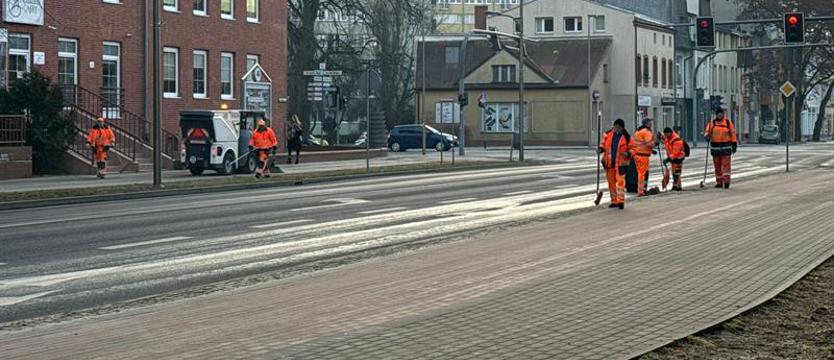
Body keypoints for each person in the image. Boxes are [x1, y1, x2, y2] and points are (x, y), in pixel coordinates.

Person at [598, 118, 631, 209]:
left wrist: (628, 153)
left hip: (620, 164)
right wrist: (600, 149)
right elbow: (603, 144)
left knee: (620, 183)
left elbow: (632, 149)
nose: (616, 128)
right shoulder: (608, 134)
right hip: (609, 164)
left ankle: (620, 201)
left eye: (618, 127)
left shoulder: (626, 137)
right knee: (611, 184)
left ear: (622, 128)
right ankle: (614, 201)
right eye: (615, 126)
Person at [704, 108, 738, 188]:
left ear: (723, 114)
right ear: (716, 115)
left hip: (726, 147)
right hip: (715, 148)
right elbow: (707, 133)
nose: (719, 115)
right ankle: (719, 182)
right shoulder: (711, 123)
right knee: (717, 165)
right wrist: (707, 137)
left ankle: (726, 181)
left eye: (721, 113)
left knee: (726, 165)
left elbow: (732, 134)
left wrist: (734, 144)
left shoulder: (728, 123)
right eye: (718, 113)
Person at [630, 118, 657, 197]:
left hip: (637, 155)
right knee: (642, 173)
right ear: (647, 124)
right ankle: (641, 191)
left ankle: (642, 189)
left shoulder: (638, 132)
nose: (651, 124)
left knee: (641, 173)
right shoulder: (646, 132)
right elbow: (649, 144)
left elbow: (640, 145)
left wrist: (651, 151)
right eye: (650, 123)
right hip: (643, 156)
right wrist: (656, 142)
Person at [662, 127, 686, 191]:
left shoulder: (676, 140)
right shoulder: (668, 138)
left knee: (676, 173)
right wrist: (661, 136)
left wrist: (668, 159)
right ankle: (678, 186)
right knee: (674, 172)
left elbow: (676, 152)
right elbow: (665, 139)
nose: (665, 136)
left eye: (666, 134)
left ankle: (676, 187)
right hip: (673, 158)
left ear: (670, 133)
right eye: (665, 135)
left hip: (678, 158)